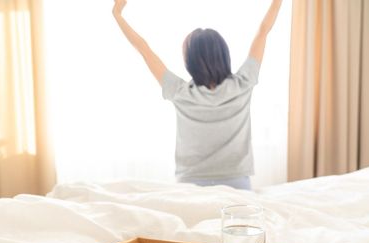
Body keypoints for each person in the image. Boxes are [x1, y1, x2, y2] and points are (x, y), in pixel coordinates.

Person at [112, 0, 282, 190]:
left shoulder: (180, 92)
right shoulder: (243, 84)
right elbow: (263, 30)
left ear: (189, 61)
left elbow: (143, 49)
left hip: (190, 186)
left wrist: (118, 14)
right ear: (224, 54)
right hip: (237, 184)